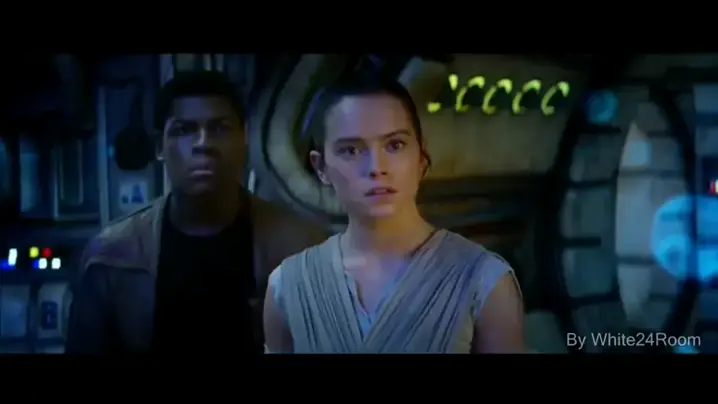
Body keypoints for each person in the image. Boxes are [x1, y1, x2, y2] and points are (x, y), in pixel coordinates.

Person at [263, 72, 525, 353]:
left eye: (395, 145)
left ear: (421, 157)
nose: (376, 167)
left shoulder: (484, 282)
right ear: (321, 167)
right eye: (351, 150)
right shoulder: (287, 286)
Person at [66, 71, 327, 353]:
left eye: (220, 128)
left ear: (244, 139)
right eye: (184, 130)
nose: (203, 143)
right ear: (160, 147)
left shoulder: (303, 249)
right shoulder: (110, 255)